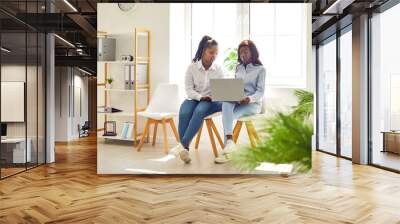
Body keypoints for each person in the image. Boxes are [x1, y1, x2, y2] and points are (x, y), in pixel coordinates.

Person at [171, 35, 224, 164]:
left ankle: (182, 145)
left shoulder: (218, 70)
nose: (214, 55)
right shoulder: (192, 68)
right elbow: (189, 89)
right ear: (203, 51)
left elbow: (221, 90)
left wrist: (209, 97)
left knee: (199, 111)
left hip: (211, 101)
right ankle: (185, 150)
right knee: (184, 112)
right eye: (211, 52)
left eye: (216, 53)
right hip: (194, 98)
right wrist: (200, 97)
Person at [214, 40, 266, 164]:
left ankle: (227, 151)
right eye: (241, 52)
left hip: (253, 104)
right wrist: (234, 94)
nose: (243, 54)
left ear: (252, 52)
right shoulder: (238, 67)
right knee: (226, 104)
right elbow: (237, 86)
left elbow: (260, 92)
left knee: (228, 116)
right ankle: (230, 143)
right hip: (238, 99)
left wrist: (249, 99)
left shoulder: (261, 69)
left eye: (246, 51)